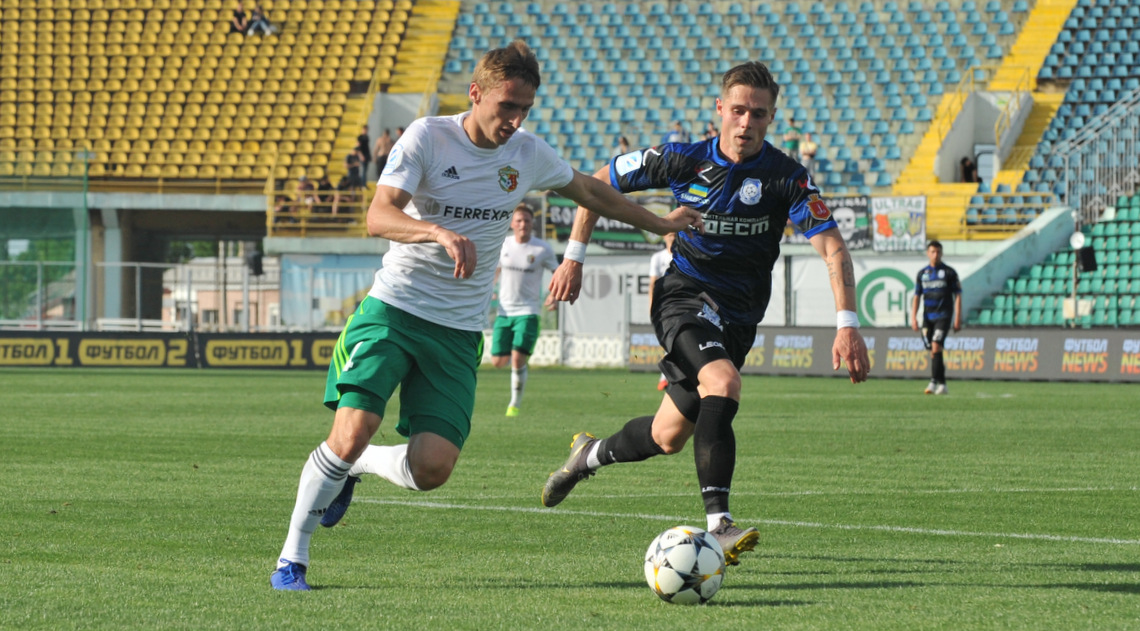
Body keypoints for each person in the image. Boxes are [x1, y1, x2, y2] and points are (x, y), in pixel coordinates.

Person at [269, 39, 703, 591]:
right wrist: (436, 231)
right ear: (475, 94)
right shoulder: (428, 136)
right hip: (395, 310)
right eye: (507, 106)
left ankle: (359, 465)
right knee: (352, 428)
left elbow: (592, 192)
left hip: (457, 331)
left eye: (525, 109)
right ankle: (292, 559)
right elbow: (378, 215)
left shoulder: (526, 153)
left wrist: (661, 223)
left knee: (432, 469)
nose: (515, 120)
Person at [540, 61, 870, 567]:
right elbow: (595, 184)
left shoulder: (786, 177)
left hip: (738, 319)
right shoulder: (681, 159)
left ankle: (587, 455)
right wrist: (574, 257)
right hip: (684, 297)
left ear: (771, 117)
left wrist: (847, 324)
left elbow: (833, 248)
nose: (746, 122)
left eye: (758, 114)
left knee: (667, 436)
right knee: (724, 382)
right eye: (737, 110)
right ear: (719, 109)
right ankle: (720, 526)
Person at [491, 203, 559, 417]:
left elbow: (558, 272)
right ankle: (516, 366)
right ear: (512, 224)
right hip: (504, 312)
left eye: (527, 221)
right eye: (519, 221)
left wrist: (554, 295)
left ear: (532, 224)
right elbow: (495, 269)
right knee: (498, 362)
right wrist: (490, 288)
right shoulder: (503, 244)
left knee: (517, 358)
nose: (523, 224)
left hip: (528, 311)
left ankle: (514, 404)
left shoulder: (542, 249)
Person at [910, 240, 962, 395]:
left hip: (943, 316)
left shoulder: (949, 273)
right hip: (928, 317)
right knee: (933, 351)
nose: (935, 255)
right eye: (933, 252)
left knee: (935, 345)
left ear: (942, 253)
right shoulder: (922, 274)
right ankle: (943, 384)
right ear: (928, 253)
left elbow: (958, 295)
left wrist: (957, 318)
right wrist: (913, 317)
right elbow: (917, 296)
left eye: (938, 252)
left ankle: (933, 382)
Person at [647, 232, 675, 391]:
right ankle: (666, 376)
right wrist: (652, 305)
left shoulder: (684, 255)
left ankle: (665, 377)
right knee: (669, 339)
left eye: (674, 233)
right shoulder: (658, 257)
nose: (672, 236)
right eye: (669, 233)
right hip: (664, 304)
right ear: (663, 236)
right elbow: (653, 283)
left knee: (674, 339)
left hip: (681, 302)